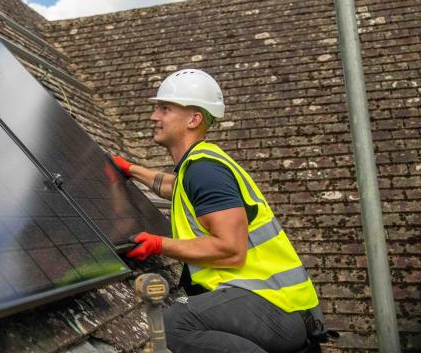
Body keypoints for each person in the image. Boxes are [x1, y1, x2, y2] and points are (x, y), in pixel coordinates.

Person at [113, 69, 334, 353]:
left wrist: (159, 244)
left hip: (275, 307)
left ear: (193, 119)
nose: (154, 116)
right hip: (281, 306)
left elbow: (232, 249)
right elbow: (175, 186)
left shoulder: (205, 171)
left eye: (164, 108)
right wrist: (131, 170)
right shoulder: (198, 167)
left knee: (173, 324)